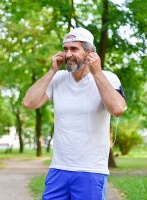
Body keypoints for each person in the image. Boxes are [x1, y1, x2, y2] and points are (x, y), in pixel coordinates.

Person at [23, 27, 126, 200]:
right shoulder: (58, 78)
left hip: (90, 171)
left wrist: (97, 72)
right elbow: (29, 102)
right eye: (65, 49)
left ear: (89, 53)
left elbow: (117, 109)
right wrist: (51, 71)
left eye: (74, 49)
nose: (68, 54)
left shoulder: (108, 77)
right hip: (59, 169)